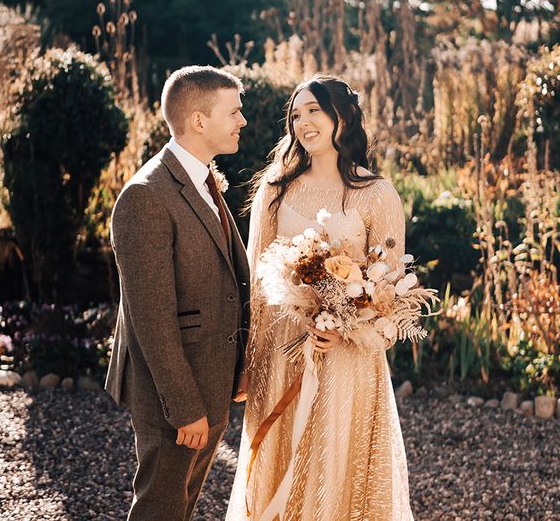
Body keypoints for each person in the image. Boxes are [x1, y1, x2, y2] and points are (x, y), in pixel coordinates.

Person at [227, 74, 413, 520]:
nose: (303, 122)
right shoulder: (276, 188)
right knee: (277, 456)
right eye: (295, 114)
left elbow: (389, 293)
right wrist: (247, 365)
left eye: (314, 110)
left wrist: (348, 329)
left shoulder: (377, 194)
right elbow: (253, 281)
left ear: (342, 117)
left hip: (348, 360)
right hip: (280, 350)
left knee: (336, 461)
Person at [105, 65, 251, 520]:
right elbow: (149, 315)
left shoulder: (202, 178)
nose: (242, 121)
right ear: (199, 121)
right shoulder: (145, 196)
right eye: (234, 112)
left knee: (181, 504)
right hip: (175, 393)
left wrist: (239, 369)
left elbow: (228, 281)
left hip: (211, 380)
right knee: (161, 507)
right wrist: (185, 406)